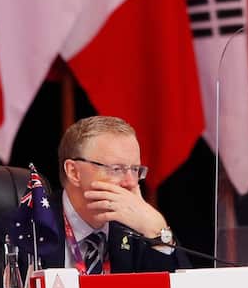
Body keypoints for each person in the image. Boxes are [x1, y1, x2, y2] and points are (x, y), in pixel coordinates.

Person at [49, 116, 186, 273]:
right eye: (116, 169)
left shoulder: (139, 225)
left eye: (135, 169)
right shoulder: (33, 225)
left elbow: (184, 287)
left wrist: (157, 231)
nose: (131, 183)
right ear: (74, 172)